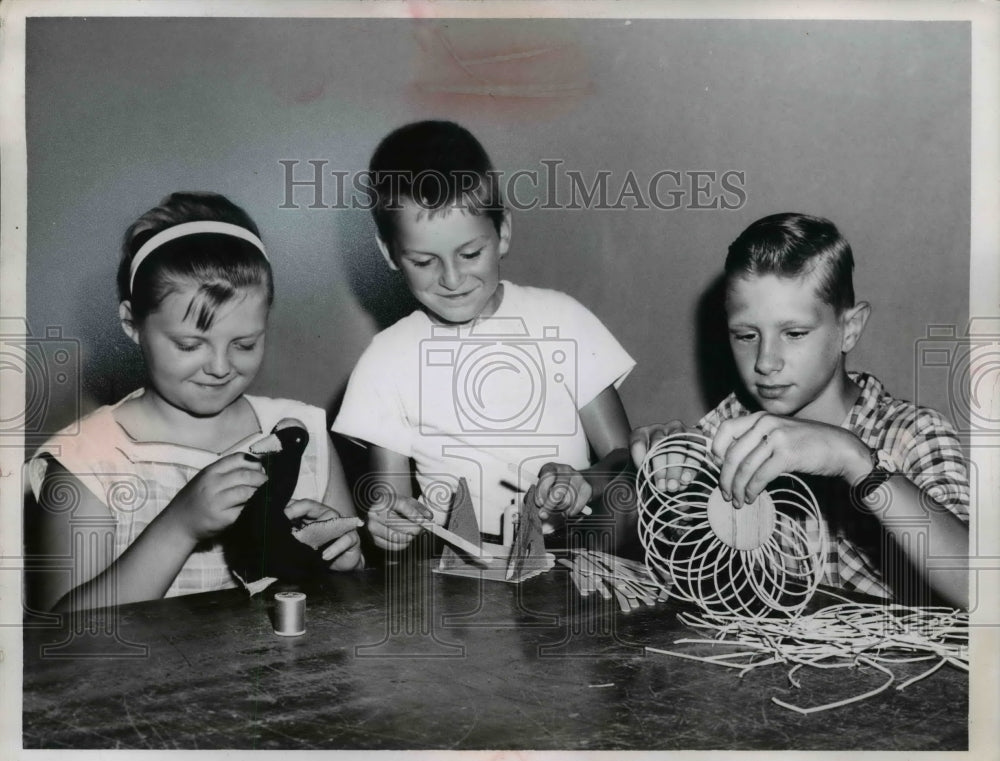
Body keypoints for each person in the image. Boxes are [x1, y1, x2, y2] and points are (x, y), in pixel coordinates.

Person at [28, 192, 363, 613]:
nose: (220, 367)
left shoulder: (304, 432)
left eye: (244, 343)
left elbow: (348, 605)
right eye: (190, 345)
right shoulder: (87, 461)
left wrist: (344, 563)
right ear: (131, 323)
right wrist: (179, 527)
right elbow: (62, 639)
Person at [629, 213, 969, 609]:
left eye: (793, 334)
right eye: (745, 335)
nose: (766, 361)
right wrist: (657, 470)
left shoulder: (913, 433)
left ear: (851, 328)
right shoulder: (732, 424)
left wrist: (854, 459)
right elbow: (664, 549)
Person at [333, 120, 635, 551]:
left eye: (470, 253)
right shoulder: (385, 362)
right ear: (389, 254)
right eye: (424, 261)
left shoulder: (563, 321)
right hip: (459, 579)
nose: (452, 278)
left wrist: (584, 480)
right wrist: (389, 526)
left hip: (576, 561)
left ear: (503, 232)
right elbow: (391, 503)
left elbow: (627, 460)